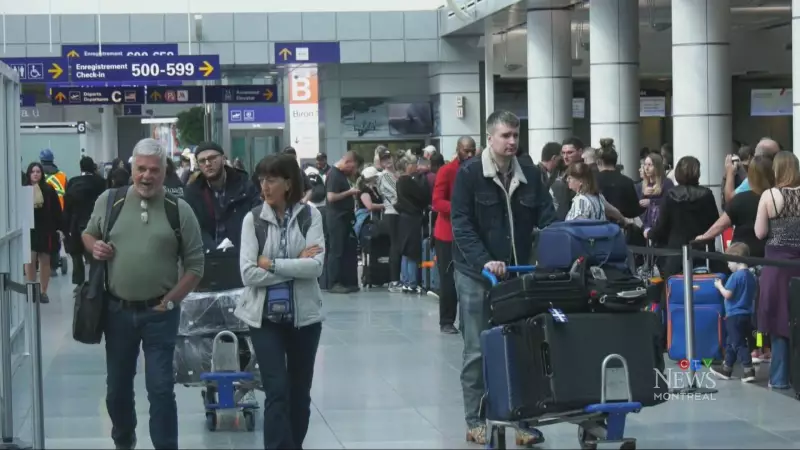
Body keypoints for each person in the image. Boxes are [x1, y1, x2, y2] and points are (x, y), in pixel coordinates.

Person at [82, 138, 205, 450]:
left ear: (164, 172)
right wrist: (93, 246)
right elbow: (88, 233)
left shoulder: (180, 210)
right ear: (131, 168)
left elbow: (195, 266)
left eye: (154, 170)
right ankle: (124, 440)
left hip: (160, 314)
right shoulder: (110, 201)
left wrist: (171, 300)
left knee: (161, 388)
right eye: (141, 169)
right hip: (117, 311)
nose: (147, 176)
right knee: (117, 390)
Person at [451, 110, 555, 446]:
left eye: (516, 135)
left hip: (518, 272)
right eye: (505, 136)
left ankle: (524, 419)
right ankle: (475, 419)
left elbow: (547, 218)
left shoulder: (531, 175)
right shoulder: (469, 175)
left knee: (525, 345)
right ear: (490, 138)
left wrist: (553, 252)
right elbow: (461, 225)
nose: (512, 142)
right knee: (477, 349)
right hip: (475, 273)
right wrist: (485, 262)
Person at [236, 154, 325, 450]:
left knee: (300, 393)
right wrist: (292, 266)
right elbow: (248, 273)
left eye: (271, 179)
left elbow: (315, 267)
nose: (265, 186)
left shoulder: (310, 216)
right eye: (261, 180)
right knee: (276, 391)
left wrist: (271, 264)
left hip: (305, 319)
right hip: (264, 320)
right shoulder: (253, 220)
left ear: (288, 183)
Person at [754, 151, 800, 390]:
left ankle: (780, 378)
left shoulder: (769, 196)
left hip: (777, 266)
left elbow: (760, 233)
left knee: (778, 319)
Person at [645, 156, 720, 278]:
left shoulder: (670, 195)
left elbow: (662, 226)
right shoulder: (707, 194)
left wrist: (650, 234)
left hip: (675, 254)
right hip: (703, 253)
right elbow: (714, 223)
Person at [432, 136, 475, 334]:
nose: (470, 154)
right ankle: (446, 320)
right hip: (447, 234)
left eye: (472, 150)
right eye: (466, 150)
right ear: (458, 150)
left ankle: (468, 319)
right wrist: (460, 208)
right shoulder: (447, 171)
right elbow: (437, 202)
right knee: (448, 278)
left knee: (471, 278)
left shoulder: (477, 170)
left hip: (470, 232)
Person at [183, 141, 261, 250]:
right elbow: (193, 228)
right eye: (202, 161)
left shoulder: (245, 186)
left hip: (242, 253)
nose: (207, 164)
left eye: (212, 158)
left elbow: (257, 218)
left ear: (223, 159)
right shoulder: (193, 192)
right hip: (209, 256)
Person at [695, 155, 775, 258]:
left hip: (742, 254)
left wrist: (703, 237)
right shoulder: (778, 197)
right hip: (771, 255)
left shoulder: (741, 199)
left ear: (750, 176)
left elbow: (721, 225)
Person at [710, 242, 757, 383]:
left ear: (737, 259)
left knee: (738, 343)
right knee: (731, 342)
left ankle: (748, 369)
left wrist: (719, 286)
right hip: (747, 314)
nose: (728, 265)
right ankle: (727, 369)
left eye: (729, 261)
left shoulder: (735, 277)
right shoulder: (751, 276)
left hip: (734, 315)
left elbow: (728, 295)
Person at [62, 156, 106, 286]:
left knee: (76, 254)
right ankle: (95, 282)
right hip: (95, 221)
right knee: (94, 254)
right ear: (93, 167)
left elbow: (67, 205)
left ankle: (78, 283)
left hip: (75, 222)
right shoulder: (100, 182)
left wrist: (65, 226)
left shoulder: (73, 182)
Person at [325, 151, 363, 293]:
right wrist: (350, 192)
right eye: (352, 168)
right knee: (336, 250)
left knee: (346, 249)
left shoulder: (342, 175)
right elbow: (331, 197)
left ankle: (345, 280)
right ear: (347, 162)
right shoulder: (334, 175)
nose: (353, 171)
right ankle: (333, 282)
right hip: (336, 218)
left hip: (345, 217)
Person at [24, 162, 62, 304]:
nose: (35, 174)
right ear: (29, 174)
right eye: (33, 171)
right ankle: (31, 288)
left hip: (46, 229)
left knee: (45, 261)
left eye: (38, 171)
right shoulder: (24, 190)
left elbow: (56, 210)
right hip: (29, 229)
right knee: (30, 260)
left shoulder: (49, 190)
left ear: (42, 174)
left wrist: (59, 227)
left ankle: (43, 291)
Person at [395, 152, 430, 294]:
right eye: (414, 164)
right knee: (413, 251)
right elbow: (423, 196)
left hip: (403, 217)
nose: (416, 166)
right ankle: (413, 282)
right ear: (408, 166)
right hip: (412, 217)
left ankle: (406, 280)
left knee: (405, 250)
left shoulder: (399, 181)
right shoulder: (408, 181)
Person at [564, 162, 630, 223]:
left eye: (570, 178)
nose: (567, 180)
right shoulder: (598, 197)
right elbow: (612, 211)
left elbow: (578, 224)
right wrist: (624, 221)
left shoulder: (581, 200)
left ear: (581, 181)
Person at [594, 139, 642, 219]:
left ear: (599, 162)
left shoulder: (593, 181)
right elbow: (634, 211)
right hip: (621, 226)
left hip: (599, 226)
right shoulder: (627, 181)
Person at [40, 148, 68, 276]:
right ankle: (54, 265)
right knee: (55, 238)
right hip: (59, 212)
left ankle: (42, 263)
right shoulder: (62, 176)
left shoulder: (37, 175)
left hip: (41, 213)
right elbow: (67, 195)